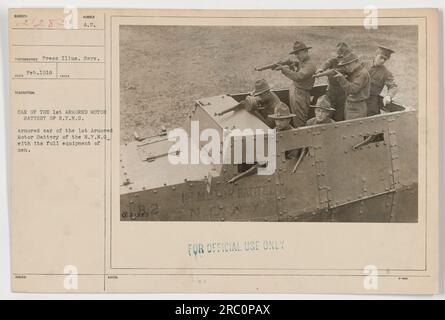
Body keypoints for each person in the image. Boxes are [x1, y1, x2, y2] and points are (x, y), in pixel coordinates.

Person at [274, 41, 316, 128]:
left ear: (305, 51)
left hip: (301, 94)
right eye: (295, 54)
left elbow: (298, 76)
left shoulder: (310, 65)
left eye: (298, 53)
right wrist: (292, 64)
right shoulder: (303, 61)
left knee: (299, 119)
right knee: (296, 116)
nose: (296, 56)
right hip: (296, 91)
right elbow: (299, 66)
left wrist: (283, 69)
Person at [316, 42, 351, 121]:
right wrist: (322, 69)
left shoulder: (348, 63)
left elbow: (334, 71)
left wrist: (323, 73)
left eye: (343, 53)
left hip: (342, 91)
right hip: (332, 89)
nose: (341, 56)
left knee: (340, 112)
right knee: (328, 110)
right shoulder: (334, 60)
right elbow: (327, 63)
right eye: (339, 53)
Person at [331, 52, 370, 120]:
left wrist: (341, 78)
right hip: (349, 104)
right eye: (345, 65)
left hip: (357, 106)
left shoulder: (362, 73)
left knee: (354, 128)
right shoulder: (353, 72)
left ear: (356, 62)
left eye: (348, 64)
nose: (346, 67)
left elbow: (352, 89)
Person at [362, 46, 398, 116]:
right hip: (356, 97)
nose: (382, 61)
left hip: (370, 100)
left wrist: (388, 96)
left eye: (385, 59)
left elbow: (393, 86)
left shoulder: (386, 73)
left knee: (373, 118)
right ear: (375, 55)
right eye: (381, 57)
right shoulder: (364, 64)